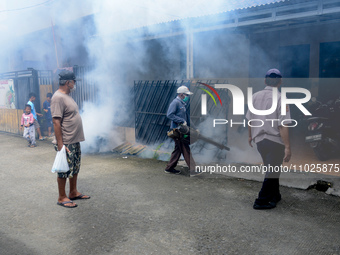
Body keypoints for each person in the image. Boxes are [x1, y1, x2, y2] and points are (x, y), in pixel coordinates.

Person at [246, 68, 292, 210]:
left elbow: (250, 119)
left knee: (272, 170)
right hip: (274, 141)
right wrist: (287, 147)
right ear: (280, 82)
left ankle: (275, 195)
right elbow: (283, 124)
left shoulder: (255, 96)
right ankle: (261, 201)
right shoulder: (281, 99)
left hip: (260, 141)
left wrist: (250, 136)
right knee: (272, 171)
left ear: (265, 81)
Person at [51, 70, 90, 208]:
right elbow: (56, 122)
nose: (75, 84)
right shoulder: (58, 97)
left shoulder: (67, 96)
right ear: (68, 82)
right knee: (64, 169)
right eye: (73, 82)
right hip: (66, 141)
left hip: (74, 139)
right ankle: (62, 197)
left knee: (75, 167)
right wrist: (61, 145)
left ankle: (73, 192)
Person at [164, 85, 198, 176]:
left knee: (178, 150)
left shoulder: (182, 104)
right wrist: (181, 121)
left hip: (182, 130)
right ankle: (193, 170)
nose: (187, 97)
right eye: (186, 95)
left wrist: (195, 128)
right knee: (185, 148)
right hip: (177, 131)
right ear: (181, 94)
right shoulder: (175, 103)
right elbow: (169, 115)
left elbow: (187, 118)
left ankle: (169, 168)